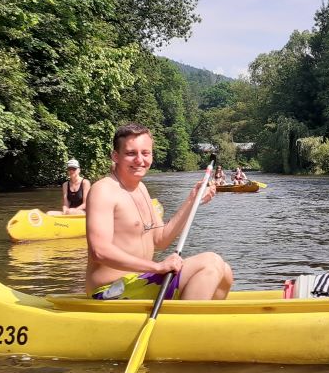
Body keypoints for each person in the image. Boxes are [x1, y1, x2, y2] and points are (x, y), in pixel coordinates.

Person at [85, 123, 234, 300]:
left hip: (139, 282)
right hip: (110, 291)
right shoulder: (103, 190)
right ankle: (186, 317)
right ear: (115, 156)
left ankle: (197, 313)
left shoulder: (141, 189)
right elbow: (99, 251)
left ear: (151, 156)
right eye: (131, 153)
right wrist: (157, 267)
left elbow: (161, 240)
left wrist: (192, 200)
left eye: (145, 153)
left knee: (225, 272)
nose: (139, 160)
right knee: (211, 262)